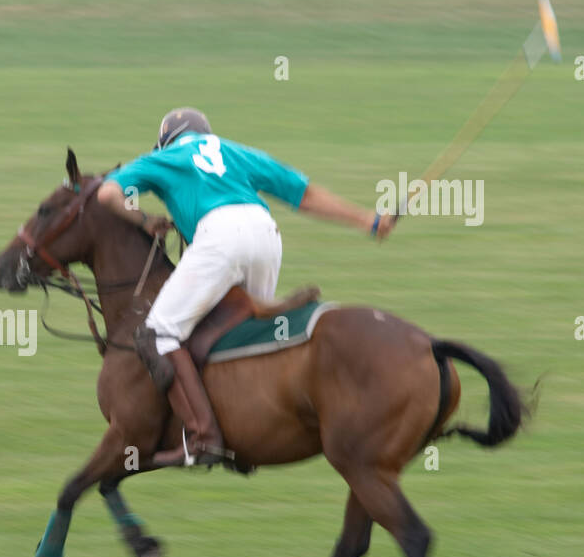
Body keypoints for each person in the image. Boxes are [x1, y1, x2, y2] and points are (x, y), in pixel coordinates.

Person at [98, 107, 398, 467]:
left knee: (158, 333)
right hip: (265, 235)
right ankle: (251, 429)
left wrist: (144, 220)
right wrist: (368, 219)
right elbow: (304, 195)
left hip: (218, 239)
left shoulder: (163, 159)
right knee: (246, 330)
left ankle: (202, 437)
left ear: (166, 142)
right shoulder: (238, 152)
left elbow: (107, 195)